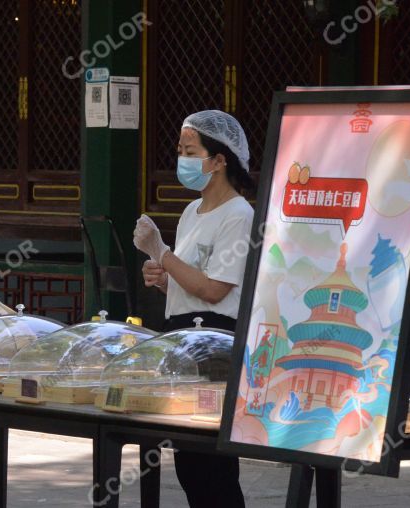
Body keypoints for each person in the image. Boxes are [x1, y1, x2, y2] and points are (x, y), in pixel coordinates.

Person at [133, 110, 255, 508]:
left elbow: (215, 290)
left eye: (190, 151)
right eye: (180, 150)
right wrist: (163, 276)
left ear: (219, 160)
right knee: (187, 460)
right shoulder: (190, 212)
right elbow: (190, 286)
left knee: (212, 462)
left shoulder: (239, 215)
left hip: (216, 340)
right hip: (183, 335)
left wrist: (162, 253)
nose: (182, 159)